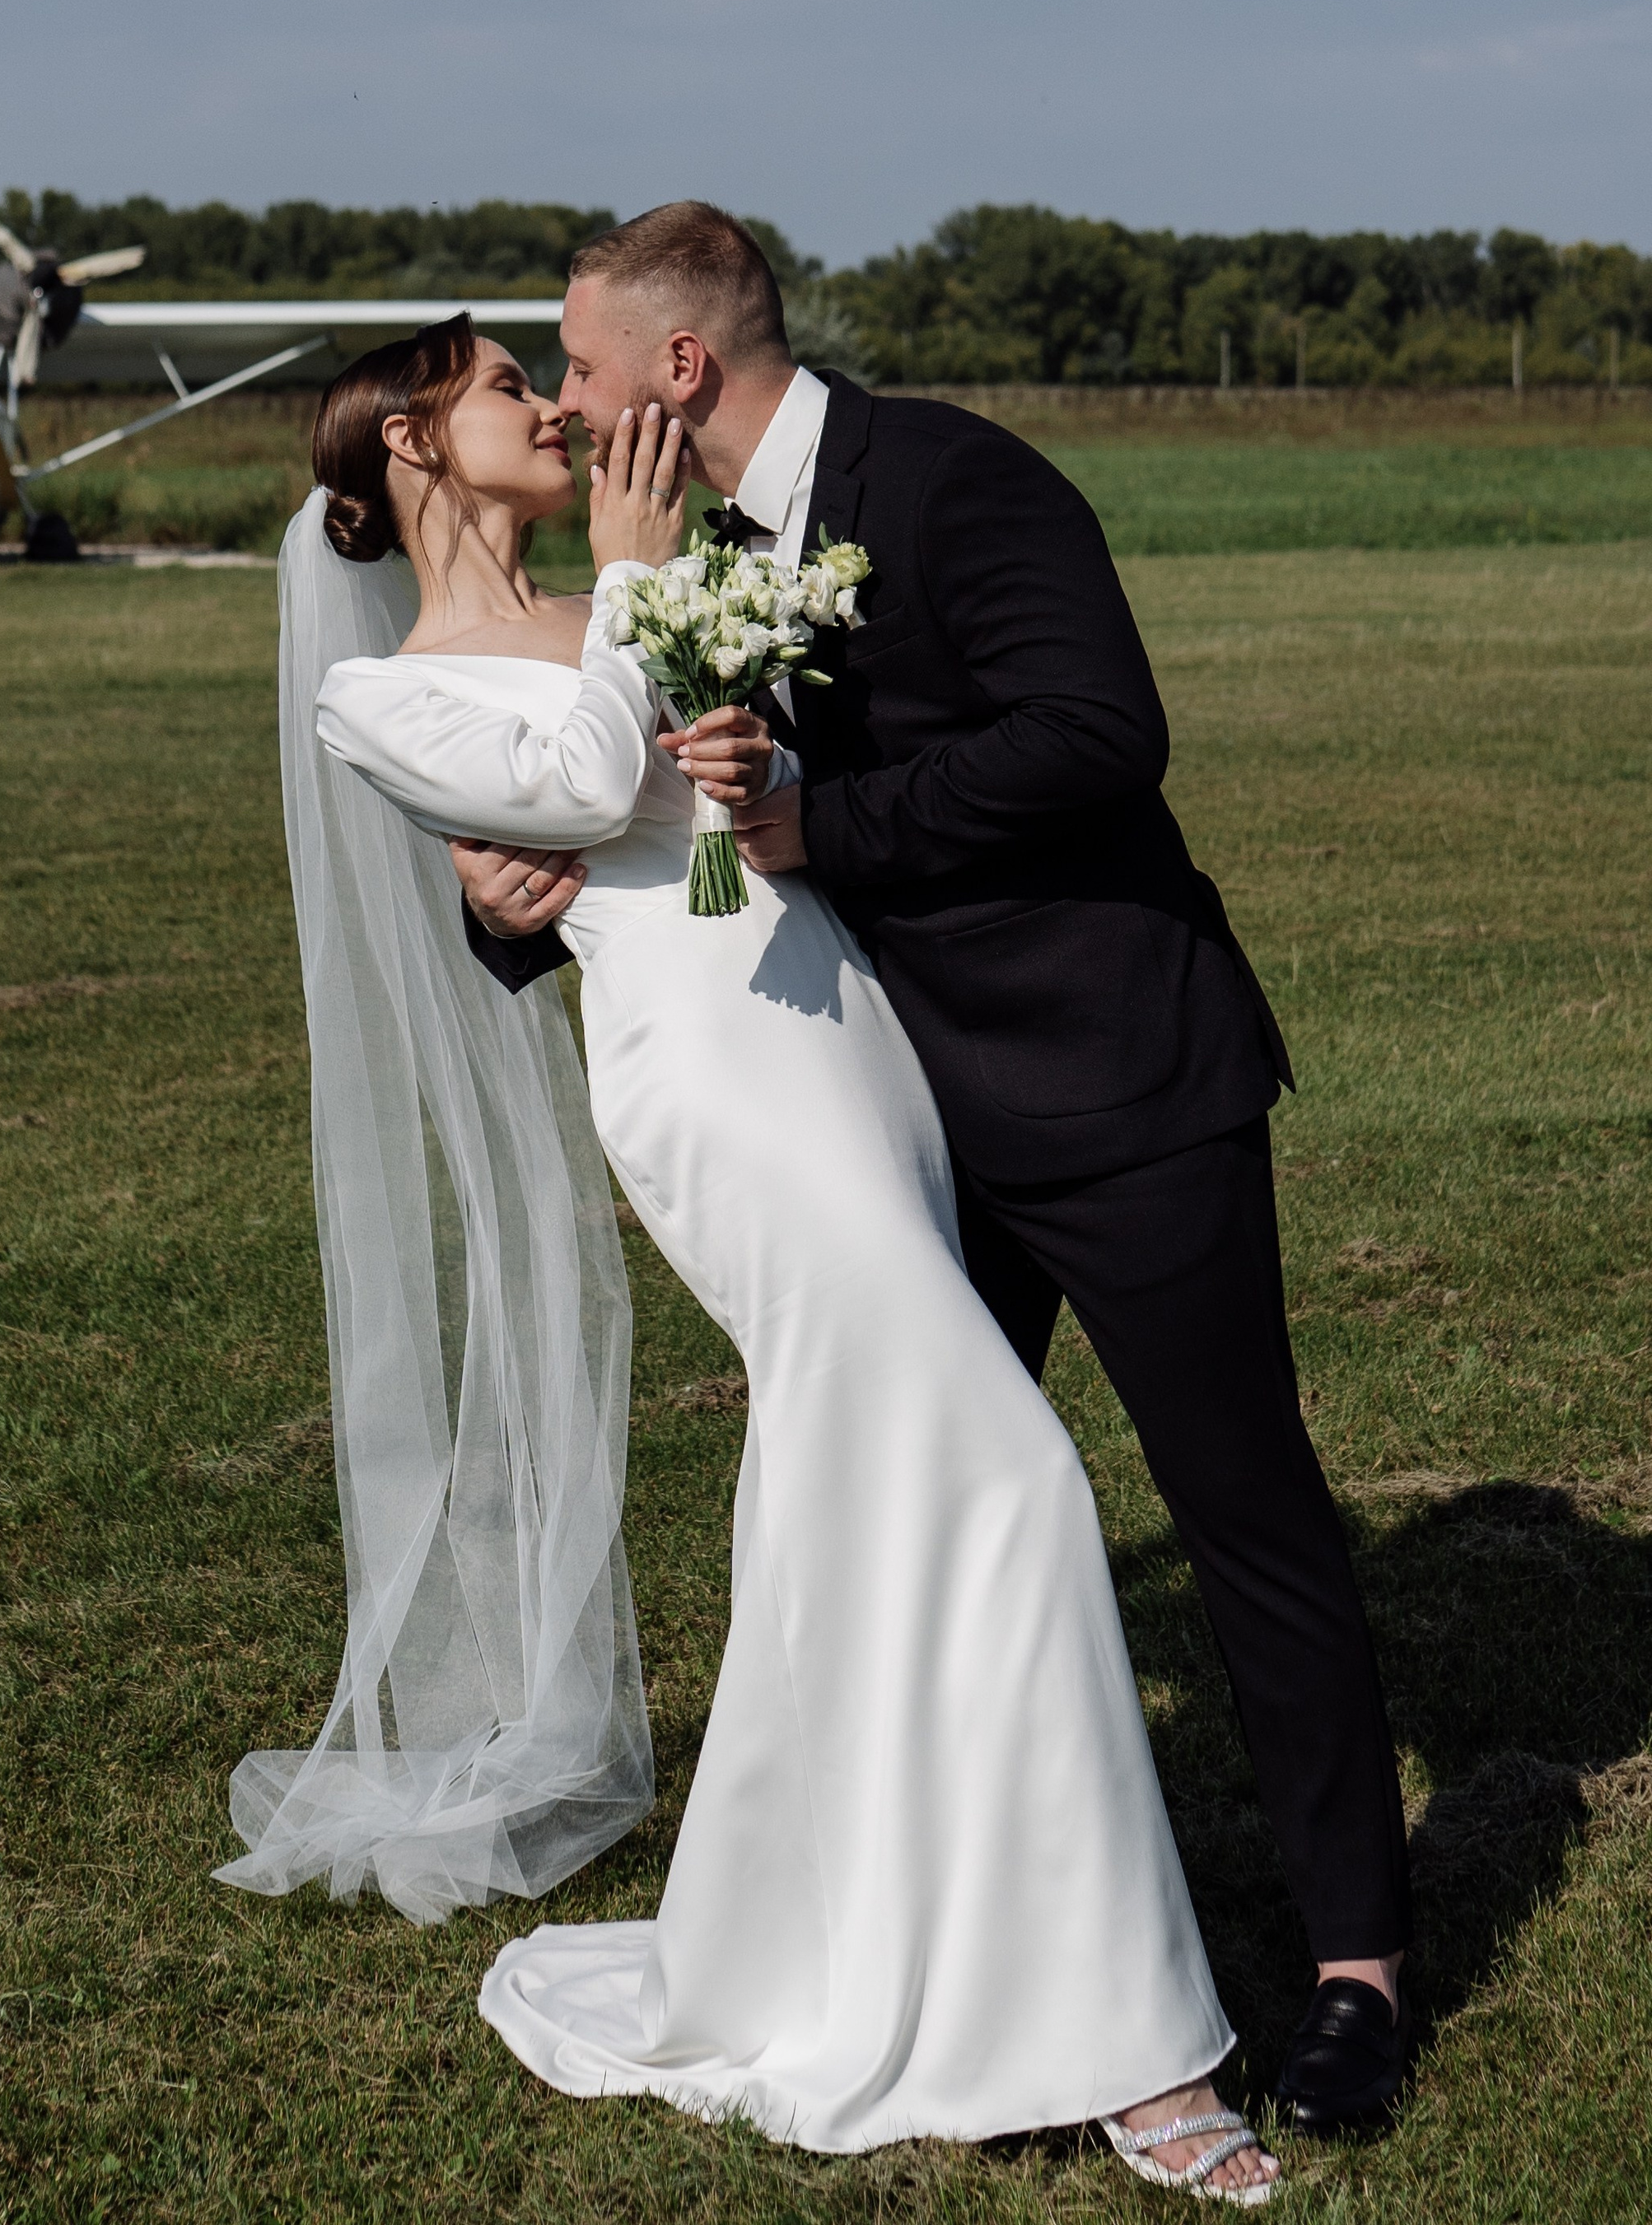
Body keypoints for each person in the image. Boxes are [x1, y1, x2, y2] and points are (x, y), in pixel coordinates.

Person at [224, 306, 1281, 2199]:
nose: (549, 407)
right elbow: (553, 798)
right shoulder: (377, 692)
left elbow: (714, 769)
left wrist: (685, 659)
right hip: (713, 1090)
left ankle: (857, 1926)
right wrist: (628, 614)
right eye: (497, 388)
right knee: (1016, 1484)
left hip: (849, 1041)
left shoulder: (643, 584)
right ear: (405, 451)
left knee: (854, 1500)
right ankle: (1127, 2043)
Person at [453, 201, 1413, 2143]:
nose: (561, 399)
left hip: (1111, 1081)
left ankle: (1357, 1967)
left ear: (681, 370)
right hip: (892, 1126)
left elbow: (1097, 737)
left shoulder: (958, 481)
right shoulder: (693, 548)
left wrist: (826, 821)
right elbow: (644, 808)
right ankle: (927, 1950)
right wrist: (507, 909)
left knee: (1242, 1512)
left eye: (576, 360)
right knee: (893, 1522)